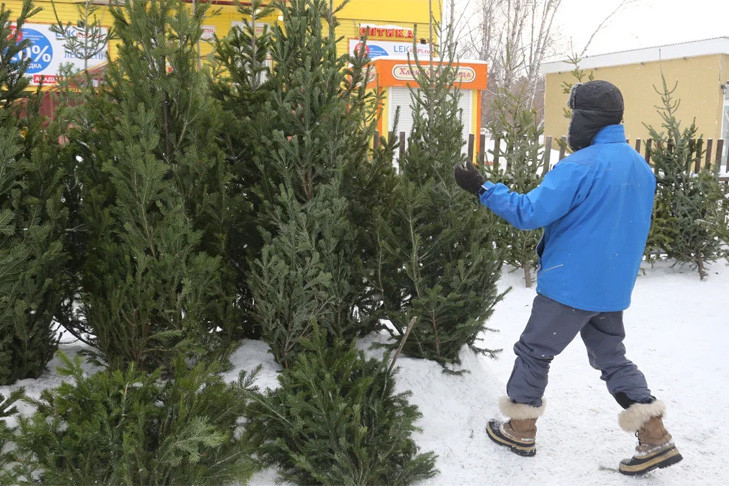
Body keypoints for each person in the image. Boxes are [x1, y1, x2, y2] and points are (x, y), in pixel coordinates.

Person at [453, 80, 682, 476]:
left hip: (569, 286)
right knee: (612, 358)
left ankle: (520, 429)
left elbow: (528, 213)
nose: (572, 124)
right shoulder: (639, 167)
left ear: (589, 118)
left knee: (534, 351)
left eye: (575, 115)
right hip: (611, 288)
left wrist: (482, 188)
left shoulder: (579, 166)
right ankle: (655, 435)